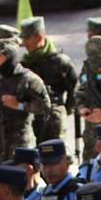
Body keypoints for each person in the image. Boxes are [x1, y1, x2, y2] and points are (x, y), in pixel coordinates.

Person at [0, 37, 50, 164]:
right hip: (1, 145)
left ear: (9, 57)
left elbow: (45, 106)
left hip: (21, 143)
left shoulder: (29, 79)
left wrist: (19, 105)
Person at [20, 17, 79, 147]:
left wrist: (65, 109)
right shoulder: (25, 63)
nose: (24, 43)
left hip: (54, 117)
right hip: (32, 115)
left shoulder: (60, 61)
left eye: (27, 38)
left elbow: (74, 87)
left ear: (39, 37)